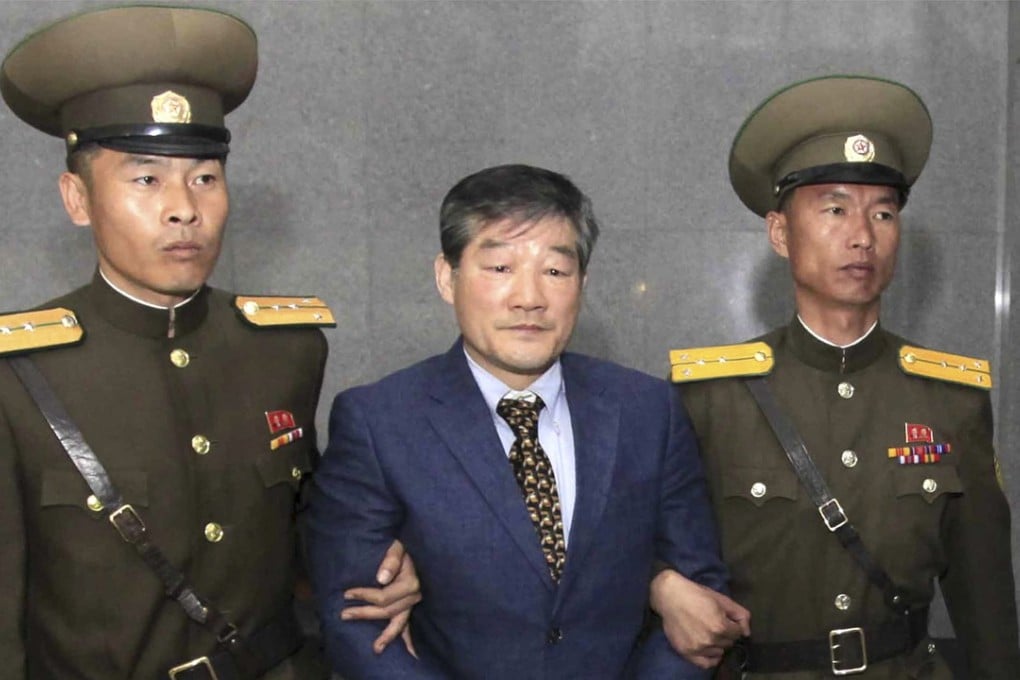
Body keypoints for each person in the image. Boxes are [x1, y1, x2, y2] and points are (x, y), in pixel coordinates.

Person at [0, 6, 417, 678]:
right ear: (77, 199)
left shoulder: (284, 350)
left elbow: (302, 531)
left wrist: (384, 564)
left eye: (205, 178)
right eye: (146, 179)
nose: (183, 209)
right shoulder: (18, 375)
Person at [304, 163, 731, 678]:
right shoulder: (379, 422)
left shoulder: (648, 410)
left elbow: (699, 593)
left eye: (555, 271)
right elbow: (357, 621)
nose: (529, 298)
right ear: (447, 277)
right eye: (500, 267)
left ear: (582, 283)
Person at [658, 75, 1020, 677]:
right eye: (834, 209)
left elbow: (986, 603)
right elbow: (635, 547)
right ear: (780, 233)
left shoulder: (950, 399)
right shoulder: (709, 397)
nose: (862, 236)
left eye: (883, 212)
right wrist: (660, 584)